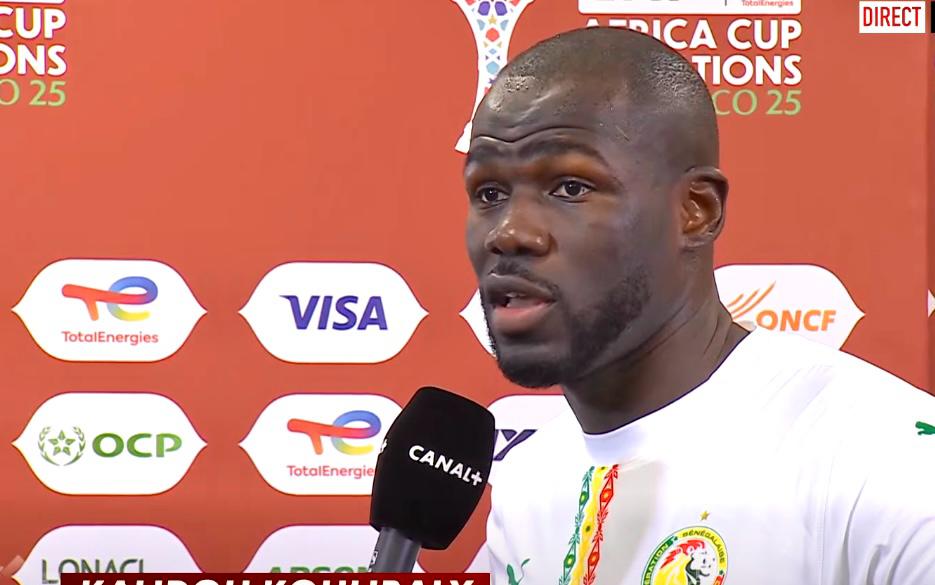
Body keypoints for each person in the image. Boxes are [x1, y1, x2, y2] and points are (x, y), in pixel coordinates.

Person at [462, 26, 935, 585]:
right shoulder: (527, 488)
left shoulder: (884, 464)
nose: (509, 232)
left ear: (696, 211)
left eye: (570, 187)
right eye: (489, 193)